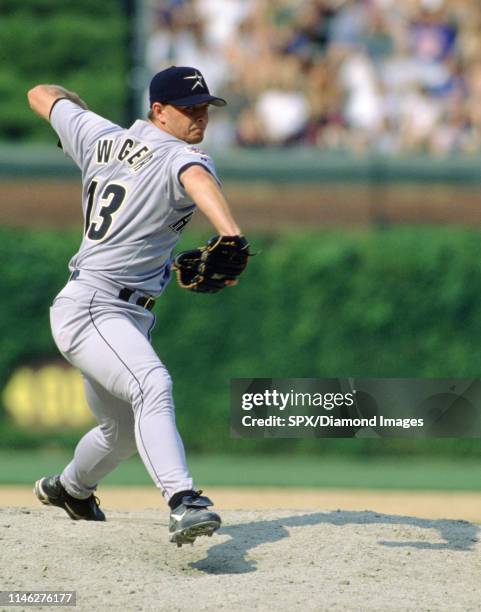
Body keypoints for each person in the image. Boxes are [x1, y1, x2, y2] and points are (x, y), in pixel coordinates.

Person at [27, 65, 248, 547]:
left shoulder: (97, 133)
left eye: (204, 108)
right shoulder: (182, 155)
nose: (199, 118)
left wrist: (77, 109)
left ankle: (71, 489)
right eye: (188, 109)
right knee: (152, 382)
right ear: (158, 111)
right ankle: (183, 500)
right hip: (93, 307)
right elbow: (195, 178)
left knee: (121, 430)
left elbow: (42, 94)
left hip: (119, 313)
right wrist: (230, 233)